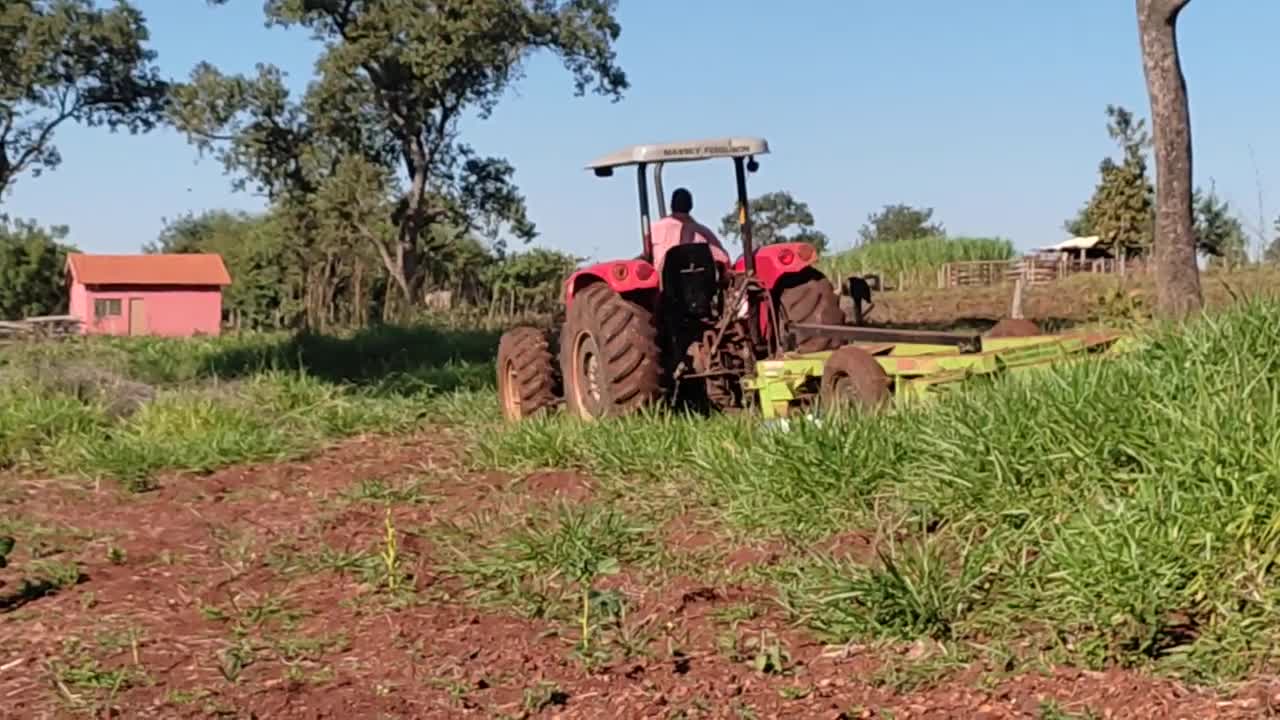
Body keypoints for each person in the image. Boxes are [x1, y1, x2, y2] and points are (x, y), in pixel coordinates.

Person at [649, 187, 730, 275]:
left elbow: (647, 254)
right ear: (691, 206)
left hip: (665, 285)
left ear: (671, 205)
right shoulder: (704, 233)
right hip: (701, 285)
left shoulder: (653, 230)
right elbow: (724, 260)